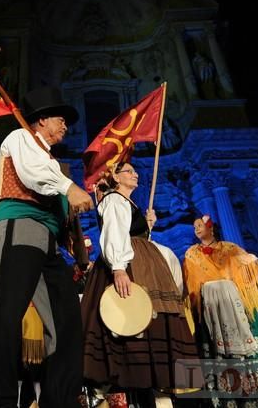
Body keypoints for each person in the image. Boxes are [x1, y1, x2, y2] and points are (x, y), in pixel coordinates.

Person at [0, 85, 94, 408]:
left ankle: (60, 399)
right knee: (6, 313)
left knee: (67, 318)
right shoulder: (20, 139)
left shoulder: (49, 159)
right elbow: (32, 176)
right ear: (42, 120)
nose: (66, 126)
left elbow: (57, 203)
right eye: (60, 119)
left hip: (47, 240)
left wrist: (73, 241)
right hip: (20, 227)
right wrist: (69, 187)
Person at [80, 162, 198, 408]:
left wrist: (147, 226)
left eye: (135, 171)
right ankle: (131, 389)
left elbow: (131, 234)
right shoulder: (114, 200)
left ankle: (155, 390)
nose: (135, 174)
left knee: (152, 319)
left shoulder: (128, 203)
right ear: (116, 177)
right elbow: (114, 234)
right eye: (129, 171)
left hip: (143, 263)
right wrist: (120, 269)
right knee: (134, 321)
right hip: (128, 266)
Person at [183, 215, 258, 407]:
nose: (196, 229)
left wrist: (244, 268)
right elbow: (191, 285)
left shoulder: (230, 248)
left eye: (200, 225)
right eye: (194, 227)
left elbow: (252, 268)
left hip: (235, 306)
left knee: (250, 353)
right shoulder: (191, 253)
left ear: (210, 228)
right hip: (211, 311)